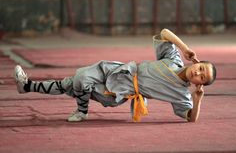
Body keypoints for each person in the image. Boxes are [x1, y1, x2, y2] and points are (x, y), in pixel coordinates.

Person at [14, 28, 216, 122]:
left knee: (74, 82)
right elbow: (163, 33)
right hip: (120, 69)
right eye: (201, 68)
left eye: (202, 77)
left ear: (199, 84)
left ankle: (80, 110)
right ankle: (27, 87)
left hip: (121, 91)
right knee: (77, 80)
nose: (198, 73)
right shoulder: (175, 60)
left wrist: (197, 100)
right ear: (196, 62)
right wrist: (185, 48)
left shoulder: (182, 94)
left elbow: (190, 117)